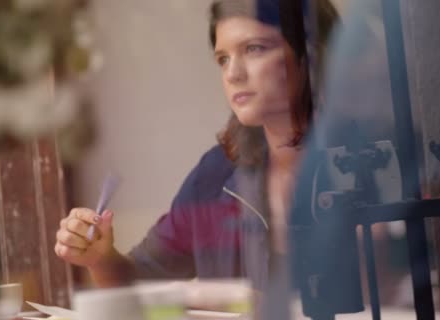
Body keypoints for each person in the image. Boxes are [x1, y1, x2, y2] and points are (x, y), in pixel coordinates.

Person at [55, 0, 339, 315]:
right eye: (222, 59)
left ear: (311, 54)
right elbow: (139, 280)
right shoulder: (216, 173)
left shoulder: (368, 163)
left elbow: (393, 294)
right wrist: (101, 258)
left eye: (255, 49)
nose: (233, 73)